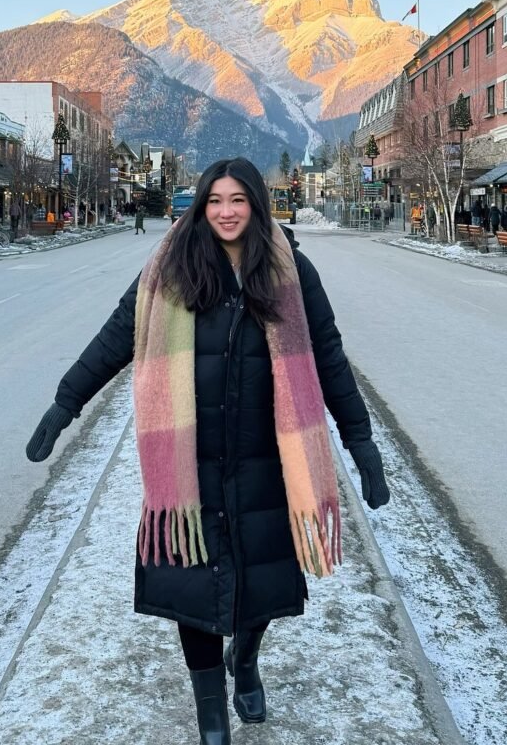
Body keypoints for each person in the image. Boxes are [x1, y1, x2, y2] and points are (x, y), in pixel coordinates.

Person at [25, 156, 389, 744]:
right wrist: (66, 403)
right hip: (187, 462)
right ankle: (210, 710)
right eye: (215, 200)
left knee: (262, 583)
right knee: (193, 586)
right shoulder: (169, 268)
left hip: (267, 459)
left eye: (238, 200)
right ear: (200, 204)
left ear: (256, 204)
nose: (226, 212)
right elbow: (116, 338)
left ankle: (244, 660)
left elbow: (328, 355)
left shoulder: (291, 270)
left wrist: (361, 441)